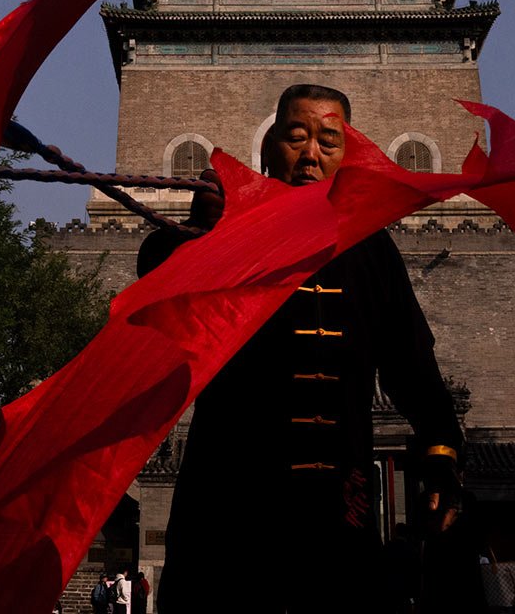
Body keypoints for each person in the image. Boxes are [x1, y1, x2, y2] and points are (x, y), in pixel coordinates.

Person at [139, 84, 465, 613]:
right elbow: (155, 289)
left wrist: (442, 456)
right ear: (268, 147)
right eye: (296, 137)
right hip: (230, 499)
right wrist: (199, 232)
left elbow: (413, 364)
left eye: (328, 141)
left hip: (342, 502)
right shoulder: (230, 230)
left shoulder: (369, 247)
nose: (311, 153)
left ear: (347, 154)